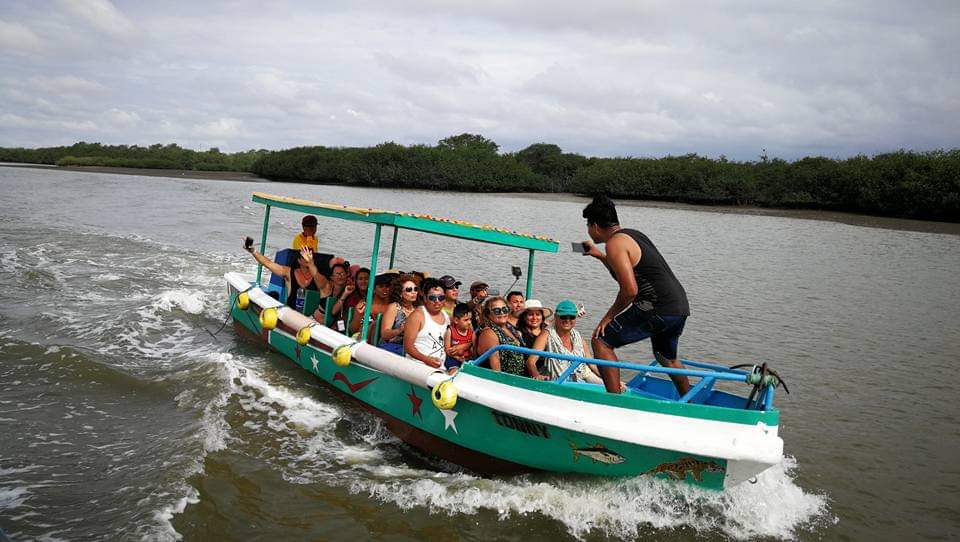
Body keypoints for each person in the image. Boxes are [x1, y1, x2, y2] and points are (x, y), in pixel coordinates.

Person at [581, 195, 691, 395]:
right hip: (678, 307)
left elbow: (630, 291)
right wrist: (600, 256)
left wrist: (608, 317)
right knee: (666, 357)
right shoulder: (632, 235)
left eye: (588, 226)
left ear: (595, 226)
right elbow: (625, 275)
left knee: (601, 340)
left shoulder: (614, 244)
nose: (588, 231)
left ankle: (615, 401)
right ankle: (690, 402)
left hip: (656, 306)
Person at [526, 300, 613, 387]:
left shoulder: (578, 337)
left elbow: (592, 364)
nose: (567, 320)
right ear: (556, 317)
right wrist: (537, 376)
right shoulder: (546, 335)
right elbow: (531, 361)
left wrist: (610, 380)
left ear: (576, 318)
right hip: (556, 381)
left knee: (613, 386)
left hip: (579, 380)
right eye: (563, 317)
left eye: (571, 317)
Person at [243, 241, 331, 318]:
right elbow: (268, 263)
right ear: (299, 260)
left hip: (310, 319)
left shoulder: (318, 276)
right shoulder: (288, 272)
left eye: (310, 255)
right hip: (291, 315)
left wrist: (311, 264)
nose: (308, 257)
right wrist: (253, 251)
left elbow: (324, 286)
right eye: (305, 255)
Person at [404, 278, 450, 369]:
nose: (437, 301)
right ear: (425, 298)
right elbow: (408, 347)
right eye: (432, 298)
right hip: (417, 366)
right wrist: (426, 359)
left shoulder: (446, 316)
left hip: (440, 366)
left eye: (441, 298)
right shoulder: (417, 316)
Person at [476, 296, 526, 376]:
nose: (502, 313)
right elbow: (496, 369)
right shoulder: (488, 333)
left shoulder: (510, 327)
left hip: (518, 377)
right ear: (488, 314)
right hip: (503, 381)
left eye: (505, 309)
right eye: (497, 311)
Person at [379, 274, 421, 355]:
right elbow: (384, 334)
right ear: (400, 293)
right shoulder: (394, 307)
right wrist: (400, 330)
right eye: (409, 290)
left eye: (415, 289)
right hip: (393, 346)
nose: (413, 292)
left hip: (413, 347)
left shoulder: (418, 309)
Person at [350, 271, 393, 336]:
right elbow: (352, 330)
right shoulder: (364, 304)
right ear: (374, 289)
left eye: (387, 286)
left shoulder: (393, 305)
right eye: (381, 286)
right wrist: (359, 315)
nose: (385, 289)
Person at [443, 302, 474, 373]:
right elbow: (447, 350)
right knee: (454, 370)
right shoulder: (450, 331)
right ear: (456, 320)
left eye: (470, 319)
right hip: (454, 358)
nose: (469, 322)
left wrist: (467, 359)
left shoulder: (470, 330)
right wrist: (457, 358)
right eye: (466, 320)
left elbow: (473, 347)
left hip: (467, 358)